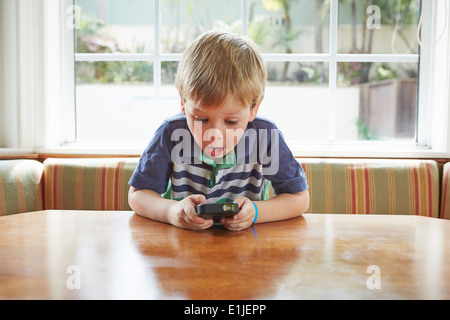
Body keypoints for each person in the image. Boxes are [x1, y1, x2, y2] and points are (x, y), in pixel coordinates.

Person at [128, 30, 309, 231]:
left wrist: (255, 212)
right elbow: (138, 195)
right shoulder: (170, 133)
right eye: (201, 119)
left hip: (249, 251)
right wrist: (172, 212)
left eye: (231, 121)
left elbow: (299, 199)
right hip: (184, 249)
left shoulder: (266, 137)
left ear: (254, 108)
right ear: (183, 104)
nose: (214, 134)